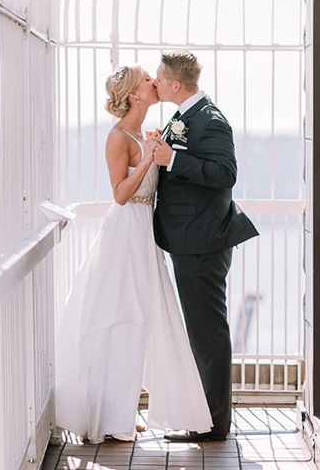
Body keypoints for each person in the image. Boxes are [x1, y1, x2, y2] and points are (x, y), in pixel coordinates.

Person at [55, 65, 212, 444]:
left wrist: (157, 149)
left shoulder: (145, 134)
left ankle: (122, 411)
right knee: (120, 318)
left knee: (144, 320)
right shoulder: (118, 137)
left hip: (146, 236)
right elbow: (121, 195)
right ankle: (110, 417)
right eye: (146, 79)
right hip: (123, 235)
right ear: (133, 94)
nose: (153, 83)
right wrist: (148, 158)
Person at [150, 51, 259, 442]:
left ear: (176, 85)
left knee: (208, 333)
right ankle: (207, 417)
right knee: (201, 332)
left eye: (160, 79)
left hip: (201, 242)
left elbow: (224, 173)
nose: (155, 83)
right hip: (189, 238)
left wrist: (172, 159)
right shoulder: (185, 116)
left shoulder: (209, 121)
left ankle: (214, 425)